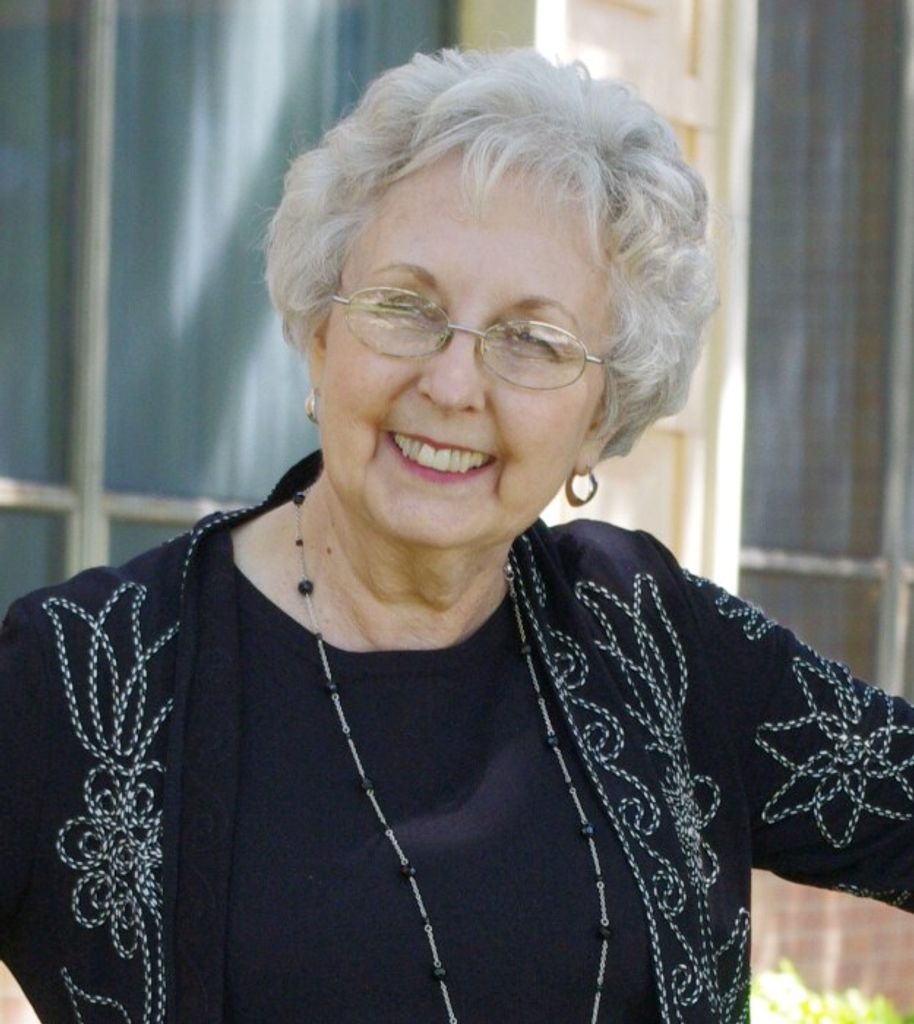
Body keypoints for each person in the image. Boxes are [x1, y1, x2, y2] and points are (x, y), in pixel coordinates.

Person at [1, 47, 912, 1024]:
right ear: (320, 335)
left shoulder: (653, 639)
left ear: (600, 417)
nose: (450, 384)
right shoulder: (81, 674)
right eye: (406, 307)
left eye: (533, 340)